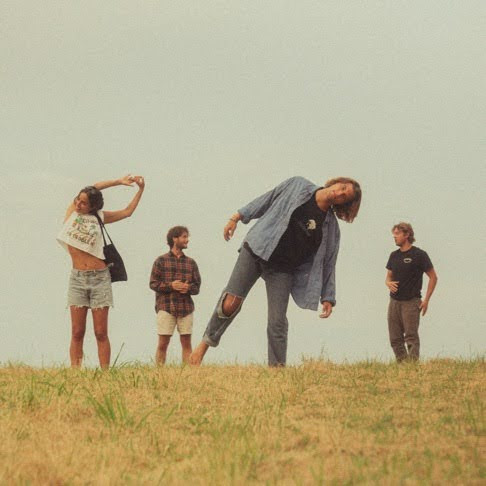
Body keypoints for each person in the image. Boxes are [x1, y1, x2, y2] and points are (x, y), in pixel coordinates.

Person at [190, 175, 362, 366]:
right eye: (342, 187)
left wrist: (328, 296)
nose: (339, 193)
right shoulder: (298, 185)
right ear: (337, 181)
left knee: (277, 321)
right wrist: (237, 217)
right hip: (258, 247)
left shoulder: (331, 229)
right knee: (230, 302)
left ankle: (277, 370)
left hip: (283, 269)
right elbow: (268, 199)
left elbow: (329, 261)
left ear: (343, 205)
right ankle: (203, 347)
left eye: (344, 196)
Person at [57, 175, 145, 369]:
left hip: (99, 278)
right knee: (77, 331)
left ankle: (105, 373)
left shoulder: (100, 217)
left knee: (100, 332)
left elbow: (127, 212)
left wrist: (140, 190)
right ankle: (75, 372)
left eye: (84, 203)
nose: (79, 204)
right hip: (77, 278)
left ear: (92, 207)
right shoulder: (72, 212)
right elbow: (93, 186)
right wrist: (119, 181)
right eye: (77, 200)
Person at [385, 222, 438, 362]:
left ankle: (412, 366)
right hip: (394, 301)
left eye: (397, 234)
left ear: (407, 234)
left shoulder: (419, 254)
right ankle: (402, 366)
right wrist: (388, 283)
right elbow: (388, 276)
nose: (394, 237)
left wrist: (426, 300)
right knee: (395, 337)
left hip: (411, 301)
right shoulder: (393, 255)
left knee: (411, 336)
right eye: (393, 234)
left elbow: (433, 277)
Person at [149, 226, 201, 365]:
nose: (187, 240)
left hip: (186, 308)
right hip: (166, 307)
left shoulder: (191, 263)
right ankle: (159, 373)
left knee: (186, 343)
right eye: (184, 237)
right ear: (175, 238)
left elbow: (197, 287)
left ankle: (187, 375)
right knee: (163, 343)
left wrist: (188, 288)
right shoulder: (160, 261)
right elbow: (153, 284)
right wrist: (171, 286)